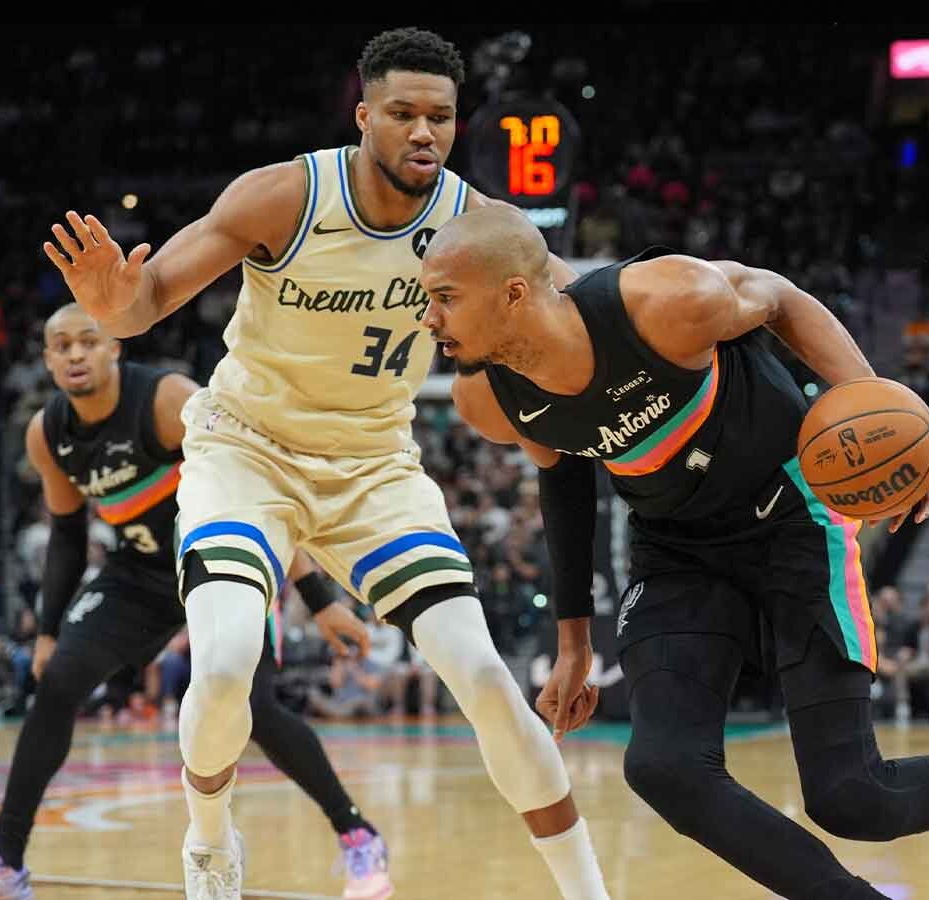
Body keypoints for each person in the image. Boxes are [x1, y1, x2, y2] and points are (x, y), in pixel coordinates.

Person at [430, 206, 929, 900]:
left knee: (854, 798)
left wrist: (881, 406)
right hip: (676, 552)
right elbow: (563, 476)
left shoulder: (665, 301)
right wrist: (573, 644)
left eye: (445, 298)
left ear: (514, 293)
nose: (429, 318)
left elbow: (781, 298)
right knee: (664, 767)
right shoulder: (486, 397)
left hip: (790, 520)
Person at [40, 27, 608, 900]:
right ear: (364, 117)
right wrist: (112, 302)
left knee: (484, 675)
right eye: (404, 113)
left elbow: (588, 309)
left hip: (373, 464)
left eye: (441, 117)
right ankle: (209, 841)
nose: (424, 132)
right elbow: (144, 303)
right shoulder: (286, 196)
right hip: (247, 450)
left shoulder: (476, 226)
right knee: (224, 664)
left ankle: (589, 892)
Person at [0, 306, 392, 900]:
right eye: (62, 346)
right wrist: (47, 631)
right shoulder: (48, 435)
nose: (75, 354)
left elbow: (256, 487)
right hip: (140, 573)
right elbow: (67, 536)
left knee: (254, 709)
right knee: (59, 682)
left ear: (114, 348)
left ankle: (358, 836)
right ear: (47, 360)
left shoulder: (168, 400)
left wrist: (319, 599)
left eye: (88, 341)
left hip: (217, 560)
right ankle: (4, 864)